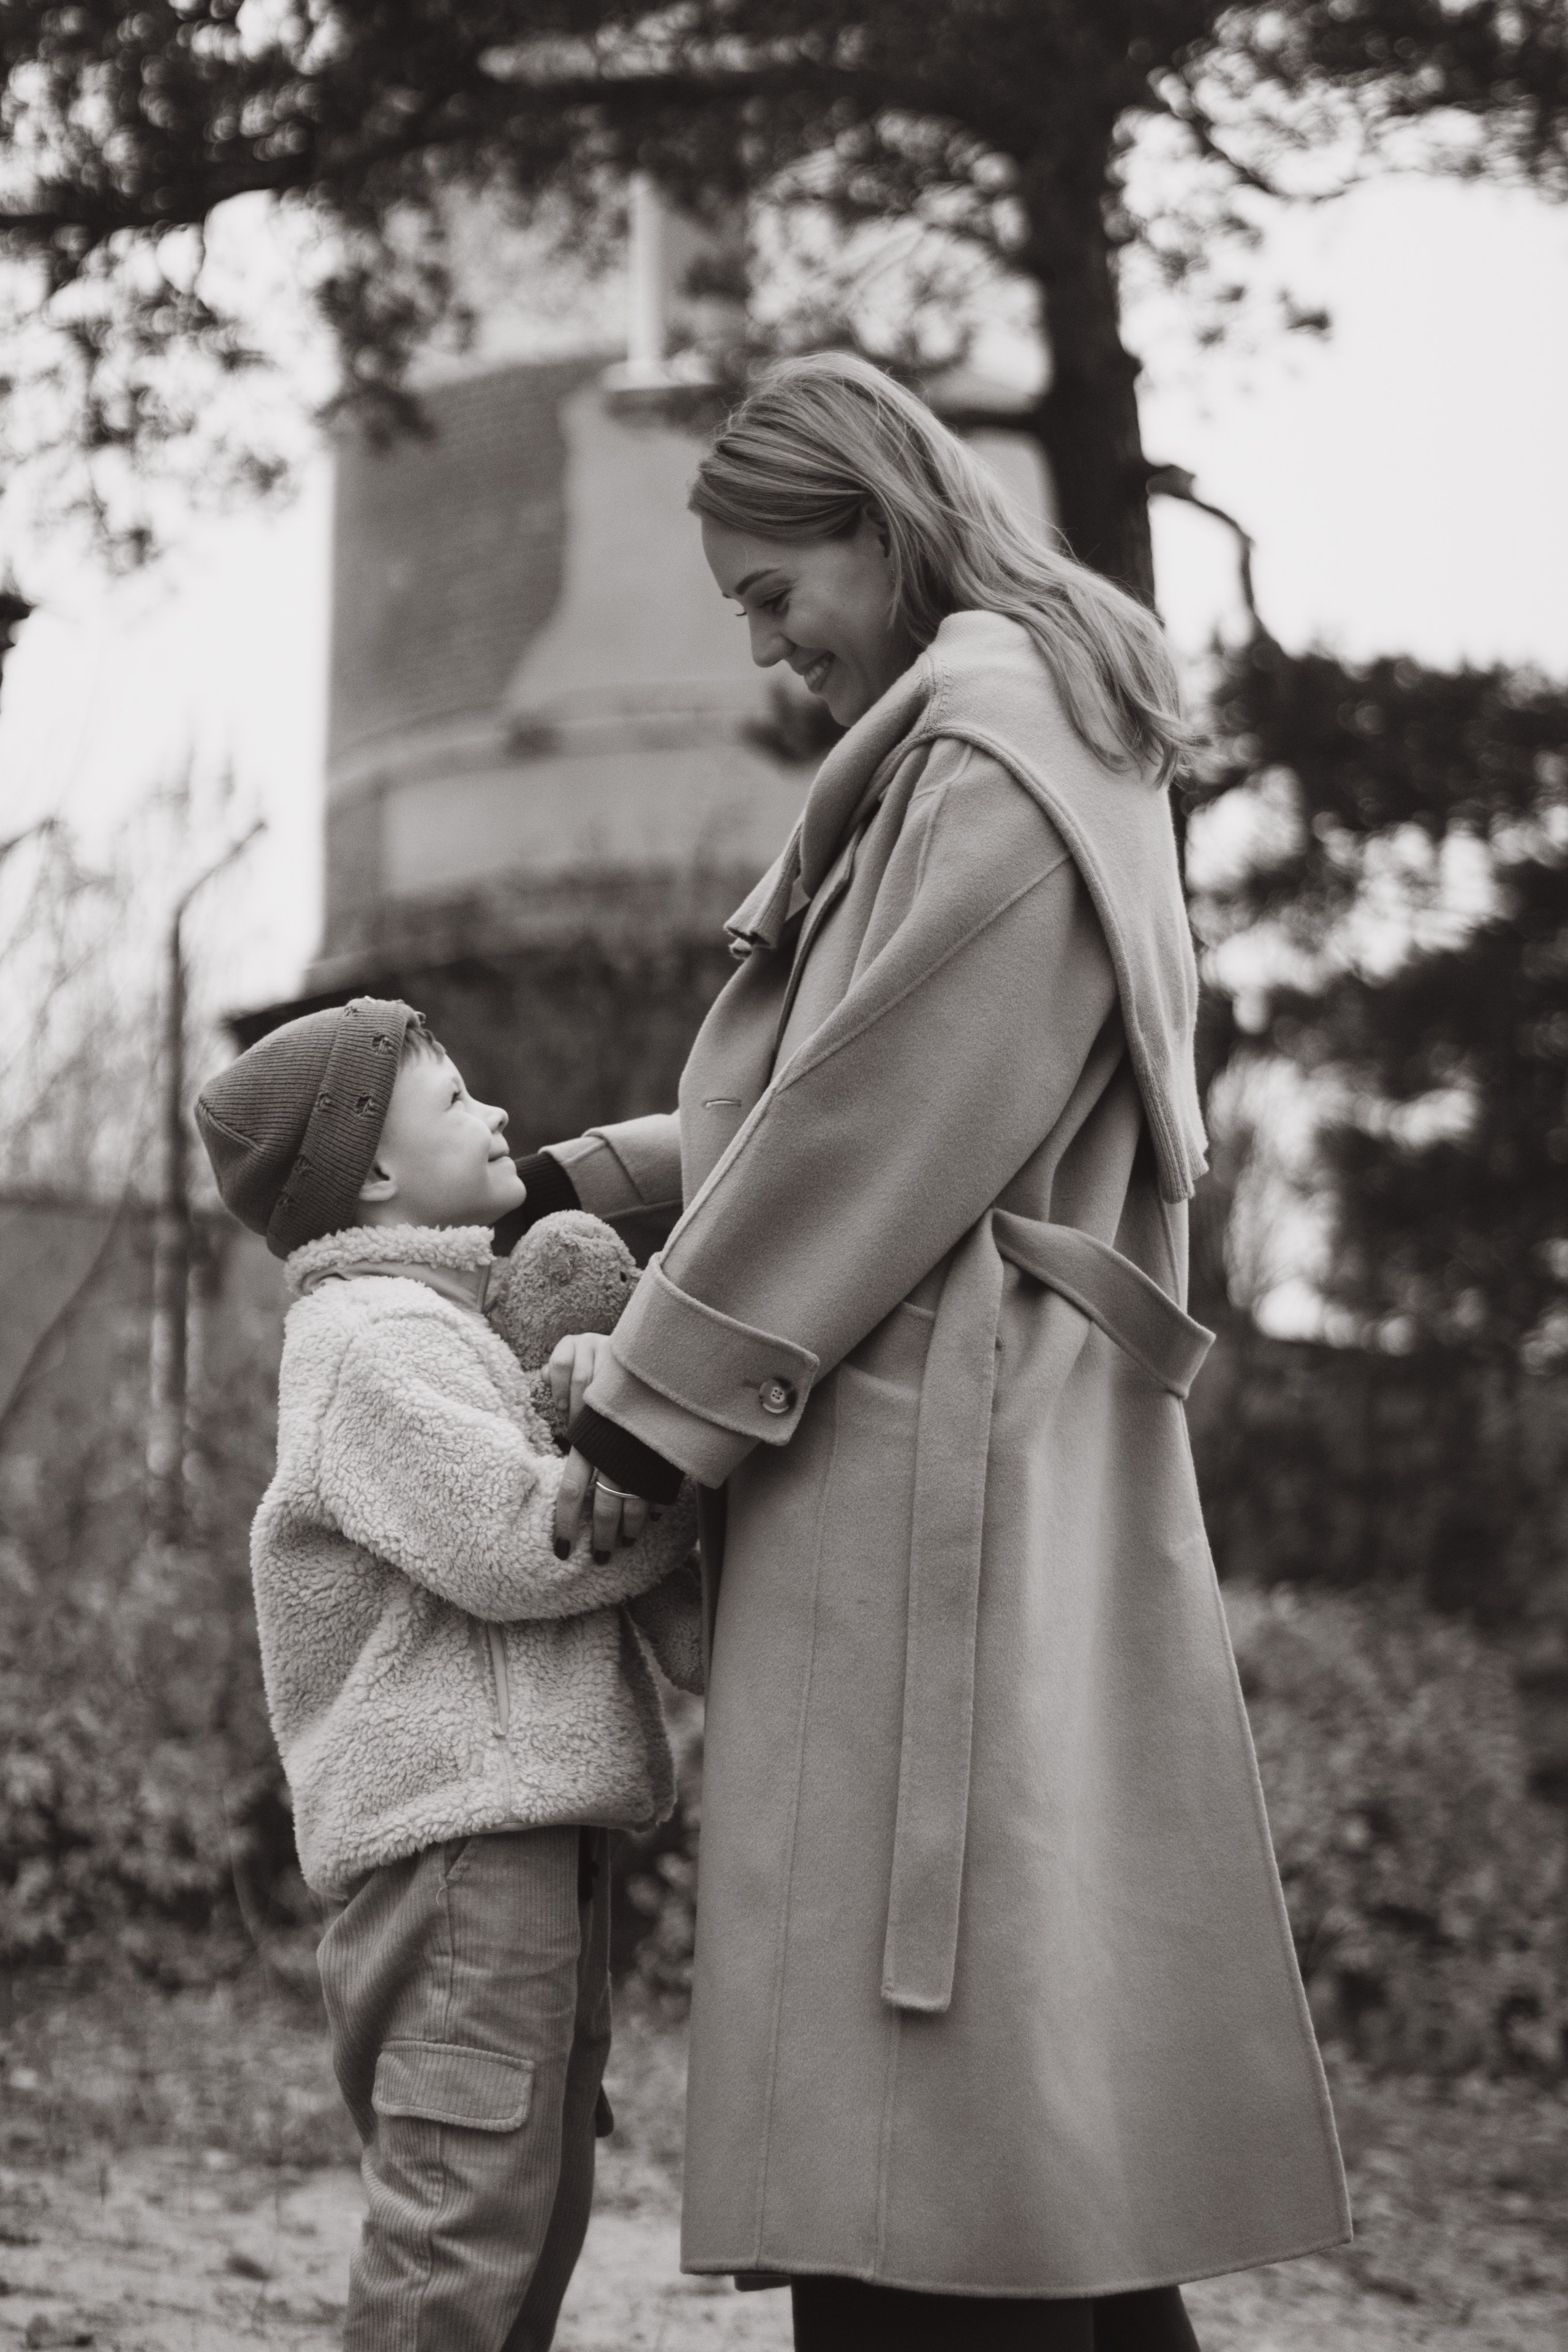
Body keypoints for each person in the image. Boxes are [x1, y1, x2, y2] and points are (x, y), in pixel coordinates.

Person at [507, 353, 1351, 2351]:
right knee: (1029, 2106)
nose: (770, 644)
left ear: (875, 529)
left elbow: (871, 1126)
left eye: (771, 590)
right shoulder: (1069, 731)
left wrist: (645, 1418)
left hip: (924, 1448)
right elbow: (871, 1082)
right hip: (1013, 1431)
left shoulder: (987, 749)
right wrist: (591, 1167)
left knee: (924, 2123)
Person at [194, 998, 699, 2352]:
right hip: (457, 1849)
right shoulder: (368, 1339)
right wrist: (666, 1458)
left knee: (535, 2202)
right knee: (458, 2221)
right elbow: (523, 1542)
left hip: (521, 1832)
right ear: (369, 1171)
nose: (494, 1119)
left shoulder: (445, 1331)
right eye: (457, 1099)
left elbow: (521, 1462)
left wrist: (588, 1390)